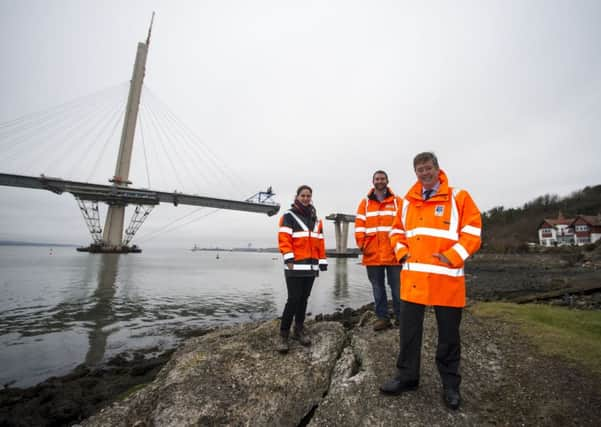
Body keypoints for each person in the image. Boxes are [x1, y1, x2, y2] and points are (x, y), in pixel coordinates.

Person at [380, 152, 482, 411]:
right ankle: (407, 377)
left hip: (446, 281)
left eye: (428, 168)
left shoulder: (459, 197)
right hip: (413, 280)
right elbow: (395, 231)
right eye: (419, 170)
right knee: (409, 334)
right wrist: (402, 253)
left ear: (437, 168)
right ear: (415, 173)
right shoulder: (405, 203)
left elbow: (473, 232)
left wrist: (452, 256)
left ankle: (450, 385)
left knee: (449, 337)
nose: (424, 173)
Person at [276, 185, 328, 353]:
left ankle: (298, 330)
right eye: (303, 195)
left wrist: (322, 260)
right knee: (293, 299)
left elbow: (320, 241)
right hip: (294, 265)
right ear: (297, 197)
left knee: (304, 298)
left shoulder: (316, 219)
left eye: (308, 195)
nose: (306, 198)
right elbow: (284, 238)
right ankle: (283, 334)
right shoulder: (288, 216)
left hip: (311, 266)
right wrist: (288, 257)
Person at [354, 170, 403, 331]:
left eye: (382, 178)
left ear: (387, 181)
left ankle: (401, 317)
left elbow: (405, 225)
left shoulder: (398, 202)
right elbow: (359, 225)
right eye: (377, 179)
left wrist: (404, 247)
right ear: (373, 181)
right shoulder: (365, 203)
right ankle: (383, 318)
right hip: (372, 253)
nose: (380, 181)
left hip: (394, 254)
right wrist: (362, 245)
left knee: (397, 288)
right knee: (377, 288)